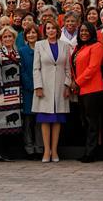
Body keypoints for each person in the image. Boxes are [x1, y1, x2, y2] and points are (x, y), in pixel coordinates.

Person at [32, 19, 71, 163]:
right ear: (45, 30)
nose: (51, 31)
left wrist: (67, 85)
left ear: (57, 30)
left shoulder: (65, 46)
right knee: (45, 119)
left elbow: (68, 69)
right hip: (45, 87)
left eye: (53, 28)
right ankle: (46, 150)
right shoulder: (39, 45)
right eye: (48, 28)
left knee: (57, 120)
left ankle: (54, 150)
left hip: (60, 87)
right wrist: (38, 86)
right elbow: (36, 68)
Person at [70, 22, 103, 163]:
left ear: (92, 32)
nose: (84, 33)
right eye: (81, 31)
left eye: (86, 31)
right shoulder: (80, 47)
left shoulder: (97, 46)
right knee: (86, 121)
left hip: (93, 89)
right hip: (82, 90)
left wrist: (77, 82)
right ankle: (88, 150)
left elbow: (93, 68)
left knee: (92, 123)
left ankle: (92, 153)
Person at [0, 26, 23, 161]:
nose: (8, 39)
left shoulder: (16, 53)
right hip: (2, 93)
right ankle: (0, 152)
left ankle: (9, 152)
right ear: (1, 39)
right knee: (1, 123)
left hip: (15, 92)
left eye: (10, 36)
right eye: (5, 37)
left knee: (12, 124)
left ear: (14, 38)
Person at [18, 24, 44, 159]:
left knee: (39, 121)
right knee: (28, 121)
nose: (31, 35)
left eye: (34, 33)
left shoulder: (43, 49)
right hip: (28, 90)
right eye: (28, 33)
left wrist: (40, 85)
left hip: (41, 89)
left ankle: (40, 147)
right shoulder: (22, 51)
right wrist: (31, 85)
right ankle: (29, 148)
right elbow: (21, 71)